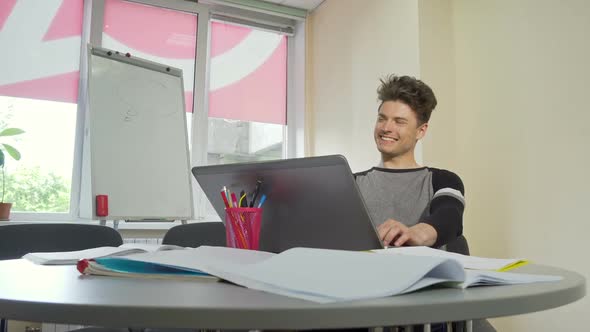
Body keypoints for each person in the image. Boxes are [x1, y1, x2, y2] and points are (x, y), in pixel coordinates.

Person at [355, 74, 465, 249]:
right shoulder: (351, 183)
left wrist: (414, 234)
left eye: (399, 122)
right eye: (382, 118)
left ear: (421, 131)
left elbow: (449, 218)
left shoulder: (443, 180)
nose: (386, 128)